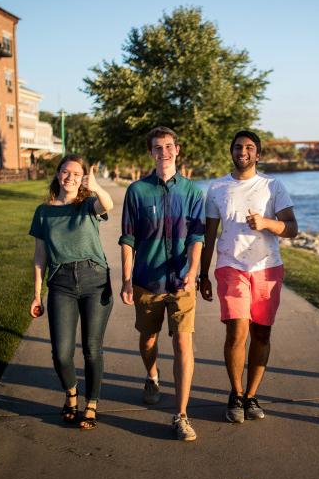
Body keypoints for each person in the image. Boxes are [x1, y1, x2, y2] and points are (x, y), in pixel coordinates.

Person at [199, 130, 298, 423]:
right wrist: (203, 274)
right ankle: (236, 392)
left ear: (258, 154)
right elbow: (209, 234)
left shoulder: (273, 185)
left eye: (250, 147)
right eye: (239, 146)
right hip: (231, 265)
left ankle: (252, 395)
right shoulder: (217, 187)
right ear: (231, 151)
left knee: (262, 333)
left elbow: (292, 227)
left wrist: (268, 223)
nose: (243, 151)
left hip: (267, 268)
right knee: (237, 331)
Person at [119, 126, 205, 442]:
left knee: (183, 343)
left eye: (169, 146)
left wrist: (193, 270)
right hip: (147, 281)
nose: (164, 152)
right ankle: (152, 375)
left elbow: (197, 236)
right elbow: (128, 238)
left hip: (182, 281)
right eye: (158, 147)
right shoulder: (137, 192)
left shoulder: (193, 192)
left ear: (177, 150)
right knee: (148, 339)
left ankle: (181, 415)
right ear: (151, 152)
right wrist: (127, 280)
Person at [29, 154, 114, 430]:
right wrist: (36, 293)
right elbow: (40, 255)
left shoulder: (89, 204)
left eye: (76, 174)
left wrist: (96, 185)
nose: (70, 178)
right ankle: (71, 393)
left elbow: (108, 204)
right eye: (66, 172)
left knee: (92, 349)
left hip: (94, 279)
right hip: (61, 283)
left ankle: (91, 403)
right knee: (62, 353)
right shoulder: (44, 212)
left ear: (82, 179)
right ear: (57, 175)